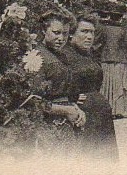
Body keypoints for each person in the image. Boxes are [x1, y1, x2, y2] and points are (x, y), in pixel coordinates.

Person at [61, 13, 119, 160]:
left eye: (92, 32)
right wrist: (71, 98)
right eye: (84, 31)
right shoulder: (64, 56)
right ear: (71, 34)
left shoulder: (89, 54)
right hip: (83, 117)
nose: (89, 36)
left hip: (100, 116)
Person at [33, 11, 87, 147]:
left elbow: (65, 93)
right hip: (47, 127)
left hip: (66, 125)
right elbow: (33, 101)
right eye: (56, 32)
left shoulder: (62, 56)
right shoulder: (37, 57)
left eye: (65, 33)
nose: (61, 38)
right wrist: (67, 110)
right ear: (44, 31)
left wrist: (76, 109)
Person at [96, 9, 127, 118]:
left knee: (107, 85)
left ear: (109, 17)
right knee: (119, 85)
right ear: (120, 18)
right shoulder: (123, 30)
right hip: (120, 60)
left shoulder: (104, 29)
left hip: (105, 59)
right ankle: (118, 110)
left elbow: (97, 44)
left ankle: (107, 109)